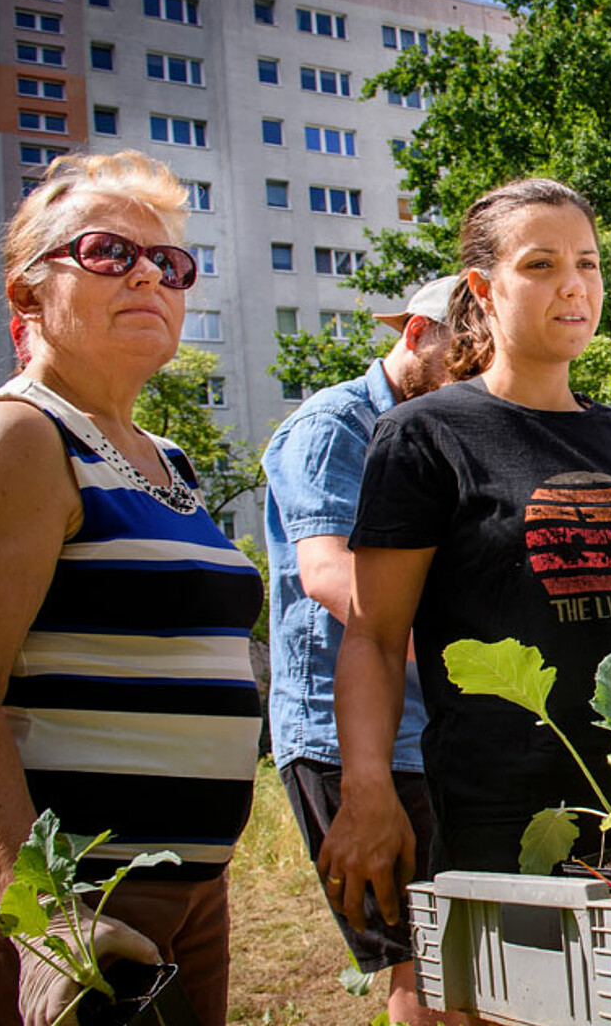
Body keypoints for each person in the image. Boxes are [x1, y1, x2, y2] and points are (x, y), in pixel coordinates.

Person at [316, 179, 611, 935]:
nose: (573, 285)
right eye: (540, 264)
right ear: (483, 288)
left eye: (588, 263)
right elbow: (372, 634)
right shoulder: (425, 435)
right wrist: (366, 790)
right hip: (514, 818)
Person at [0, 151, 262, 1024]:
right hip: (69, 904)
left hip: (184, 898)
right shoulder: (17, 434)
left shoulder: (167, 459)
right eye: (111, 252)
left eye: (171, 262)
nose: (151, 273)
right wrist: (45, 919)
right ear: (28, 294)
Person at [262, 275, 459, 1025]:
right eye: (460, 356)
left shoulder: (441, 428)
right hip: (350, 738)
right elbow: (330, 578)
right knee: (427, 968)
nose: (474, 375)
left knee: (472, 956)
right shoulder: (335, 424)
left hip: (435, 732)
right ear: (415, 336)